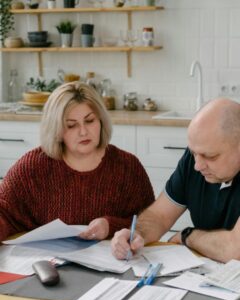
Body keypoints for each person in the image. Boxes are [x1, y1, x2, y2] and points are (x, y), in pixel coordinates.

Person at [0, 82, 154, 242]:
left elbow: (149, 224)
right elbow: (4, 211)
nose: (83, 131)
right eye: (71, 125)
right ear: (56, 131)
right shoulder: (32, 166)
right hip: (44, 264)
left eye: (90, 121)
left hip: (114, 263)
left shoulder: (128, 167)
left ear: (101, 121)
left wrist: (110, 226)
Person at [111, 97, 240, 263]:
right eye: (194, 153)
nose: (198, 166)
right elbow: (160, 216)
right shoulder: (195, 159)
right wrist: (136, 234)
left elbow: (235, 249)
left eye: (210, 156)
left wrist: (188, 236)